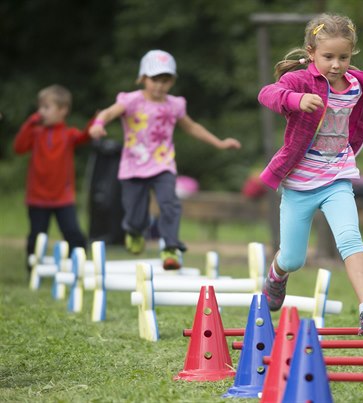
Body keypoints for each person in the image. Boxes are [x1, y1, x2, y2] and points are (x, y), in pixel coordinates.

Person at [257, 13, 363, 336]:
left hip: (337, 175)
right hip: (300, 182)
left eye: (343, 57)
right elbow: (267, 94)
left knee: (349, 238)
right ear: (311, 52)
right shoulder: (300, 81)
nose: (336, 64)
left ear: (351, 54)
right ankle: (276, 274)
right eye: (328, 57)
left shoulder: (356, 83)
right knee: (293, 257)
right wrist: (296, 100)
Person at [89, 50, 241, 270]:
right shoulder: (131, 100)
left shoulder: (175, 104)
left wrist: (219, 143)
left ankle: (170, 247)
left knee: (169, 203)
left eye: (165, 80)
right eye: (154, 80)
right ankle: (133, 230)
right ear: (143, 78)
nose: (159, 85)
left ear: (172, 81)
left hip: (163, 164)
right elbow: (108, 113)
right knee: (135, 213)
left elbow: (192, 127)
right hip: (134, 166)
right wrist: (98, 124)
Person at [13, 85, 90, 273]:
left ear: (63, 110)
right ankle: (33, 270)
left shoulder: (69, 134)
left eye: (46, 107)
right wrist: (31, 122)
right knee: (37, 236)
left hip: (63, 197)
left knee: (73, 233)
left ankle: (79, 267)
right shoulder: (36, 133)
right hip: (37, 197)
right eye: (40, 107)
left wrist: (96, 123)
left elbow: (85, 136)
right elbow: (19, 147)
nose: (41, 112)